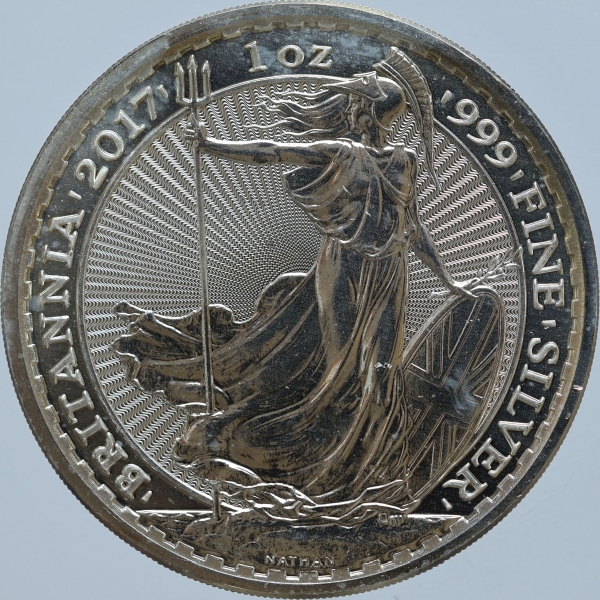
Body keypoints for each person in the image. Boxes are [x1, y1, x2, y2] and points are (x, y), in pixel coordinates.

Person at [114, 48, 471, 509]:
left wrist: (446, 280)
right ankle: (319, 472)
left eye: (358, 105)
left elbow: (413, 225)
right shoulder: (341, 153)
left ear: (367, 111)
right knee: (339, 375)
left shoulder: (404, 161)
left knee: (382, 373)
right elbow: (272, 152)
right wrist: (211, 145)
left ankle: (368, 471)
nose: (353, 113)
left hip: (389, 275)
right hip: (343, 270)